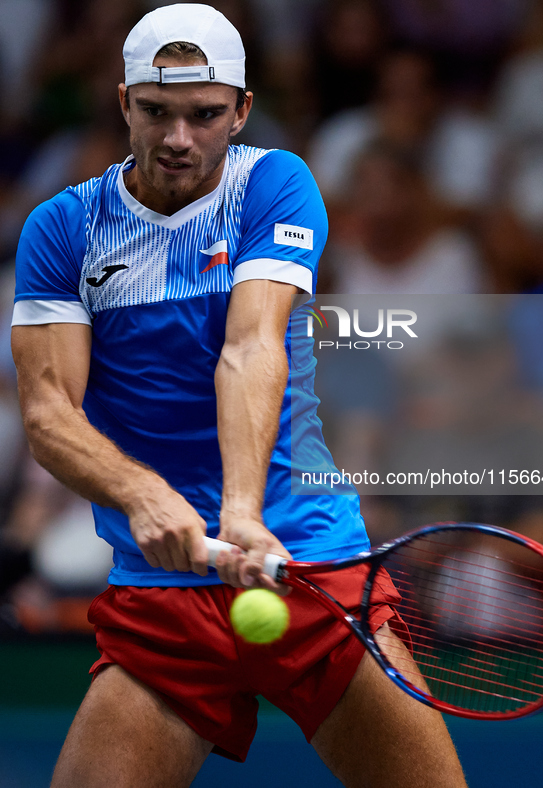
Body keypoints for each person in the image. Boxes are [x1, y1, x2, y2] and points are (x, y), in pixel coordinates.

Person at [10, 5, 466, 787]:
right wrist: (141, 493)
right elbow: (50, 412)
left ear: (241, 111)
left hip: (305, 562)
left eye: (204, 114)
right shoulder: (62, 229)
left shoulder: (274, 185)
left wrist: (242, 513)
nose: (178, 138)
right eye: (155, 112)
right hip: (162, 593)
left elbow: (251, 347)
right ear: (123, 102)